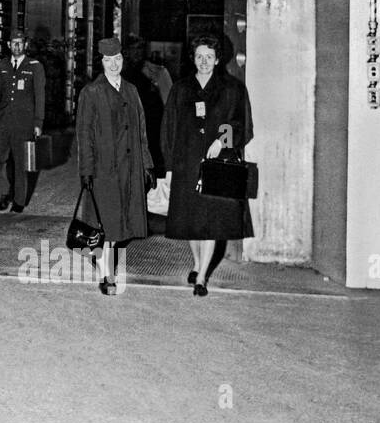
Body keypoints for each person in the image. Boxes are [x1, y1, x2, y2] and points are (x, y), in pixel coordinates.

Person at [160, 33, 254, 296]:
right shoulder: (181, 89)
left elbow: (242, 124)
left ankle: (201, 277)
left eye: (209, 57)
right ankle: (197, 263)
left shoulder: (232, 89)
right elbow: (168, 128)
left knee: (211, 220)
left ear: (217, 60)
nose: (204, 62)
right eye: (199, 56)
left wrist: (222, 140)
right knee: (190, 220)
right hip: (186, 164)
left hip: (216, 164)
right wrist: (168, 167)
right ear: (194, 58)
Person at [76, 36, 154, 295]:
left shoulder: (131, 89)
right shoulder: (92, 92)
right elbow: (84, 134)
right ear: (101, 62)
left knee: (121, 226)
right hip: (104, 170)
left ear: (123, 59)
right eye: (108, 60)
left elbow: (141, 128)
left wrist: (147, 165)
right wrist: (86, 171)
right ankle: (106, 275)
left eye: (117, 59)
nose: (113, 64)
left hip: (129, 169)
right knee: (107, 226)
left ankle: (101, 262)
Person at [0, 30, 45, 212]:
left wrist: (38, 122)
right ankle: (5, 194)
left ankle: (18, 201)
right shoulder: (1, 65)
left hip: (24, 123)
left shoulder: (34, 66)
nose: (17, 46)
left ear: (25, 45)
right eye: (14, 43)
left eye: (20, 43)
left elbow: (39, 96)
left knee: (20, 163)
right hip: (3, 122)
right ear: (9, 45)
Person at [122, 34, 166, 173]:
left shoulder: (155, 72)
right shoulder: (119, 73)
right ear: (126, 51)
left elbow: (166, 101)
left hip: (150, 124)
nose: (137, 52)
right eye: (133, 49)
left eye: (139, 48)